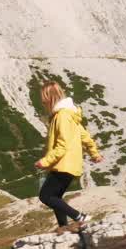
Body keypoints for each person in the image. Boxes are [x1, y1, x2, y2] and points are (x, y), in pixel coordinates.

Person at [34, 80, 103, 229]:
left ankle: (80, 216)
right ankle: (63, 227)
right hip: (71, 164)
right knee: (56, 197)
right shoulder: (70, 114)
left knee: (45, 196)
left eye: (44, 98)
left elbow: (62, 144)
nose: (43, 102)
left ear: (49, 98)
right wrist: (94, 153)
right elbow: (84, 136)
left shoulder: (62, 116)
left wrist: (45, 161)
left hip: (63, 164)